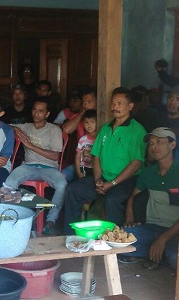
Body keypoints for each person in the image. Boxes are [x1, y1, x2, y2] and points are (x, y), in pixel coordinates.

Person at [64, 87, 147, 234]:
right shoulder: (106, 128)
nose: (115, 107)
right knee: (73, 190)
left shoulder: (137, 130)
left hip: (126, 180)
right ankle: (71, 235)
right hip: (103, 177)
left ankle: (113, 242)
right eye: (113, 103)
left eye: (119, 103)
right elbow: (96, 156)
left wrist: (112, 183)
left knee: (112, 199)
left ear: (130, 106)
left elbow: (136, 163)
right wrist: (97, 179)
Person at [118, 127, 179, 272]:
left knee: (174, 256)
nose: (154, 146)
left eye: (159, 141)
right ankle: (156, 253)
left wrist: (163, 239)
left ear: (172, 145)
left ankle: (157, 253)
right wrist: (129, 216)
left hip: (175, 230)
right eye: (151, 143)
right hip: (153, 227)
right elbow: (133, 196)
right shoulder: (149, 171)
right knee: (119, 242)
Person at [5, 98, 67, 234]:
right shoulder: (26, 126)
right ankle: (12, 217)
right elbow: (3, 125)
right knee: (9, 182)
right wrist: (15, 128)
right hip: (28, 166)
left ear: (47, 114)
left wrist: (30, 146)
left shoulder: (54, 130)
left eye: (40, 111)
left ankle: (51, 220)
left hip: (49, 168)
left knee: (62, 184)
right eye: (34, 110)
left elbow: (55, 156)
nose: (36, 113)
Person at [74, 110, 97, 180]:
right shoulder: (82, 140)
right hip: (83, 168)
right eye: (87, 122)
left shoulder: (99, 139)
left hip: (95, 169)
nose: (89, 125)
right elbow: (77, 156)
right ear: (83, 124)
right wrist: (78, 172)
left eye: (93, 122)